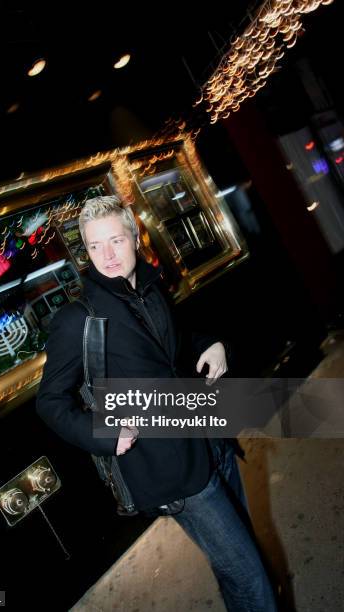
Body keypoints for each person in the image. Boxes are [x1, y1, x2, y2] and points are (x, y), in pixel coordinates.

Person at [36, 195, 277, 611]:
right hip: (171, 470)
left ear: (135, 236)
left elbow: (173, 348)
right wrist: (103, 433)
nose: (107, 255)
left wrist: (211, 344)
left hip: (211, 443)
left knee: (236, 566)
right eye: (95, 246)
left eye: (115, 241)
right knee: (250, 575)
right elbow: (50, 401)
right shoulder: (78, 319)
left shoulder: (150, 287)